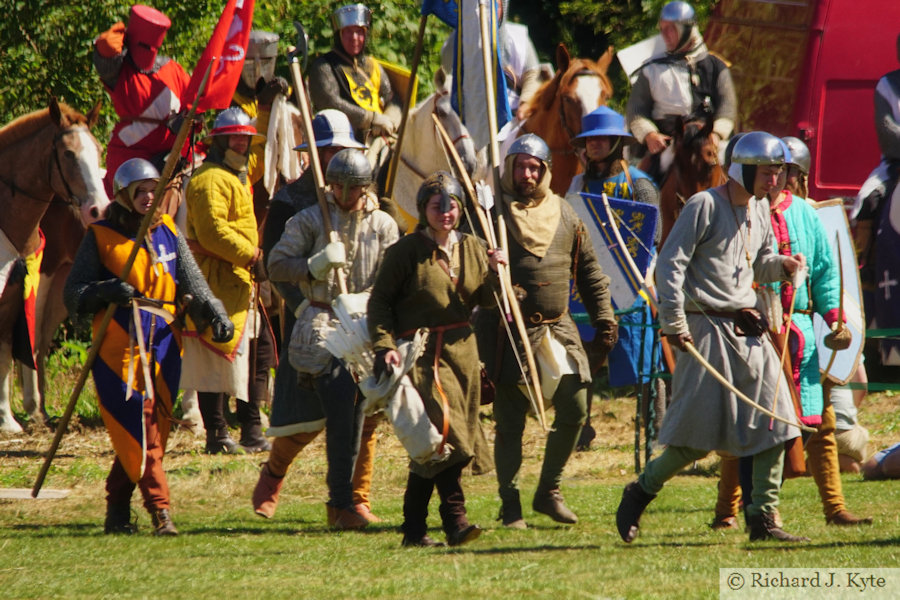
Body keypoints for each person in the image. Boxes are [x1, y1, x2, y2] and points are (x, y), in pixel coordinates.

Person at [615, 131, 810, 543]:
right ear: (744, 168)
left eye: (779, 172)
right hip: (704, 330)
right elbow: (670, 265)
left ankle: (763, 518)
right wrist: (674, 324)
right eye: (768, 172)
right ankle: (639, 492)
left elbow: (758, 265)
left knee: (779, 422)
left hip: (748, 330)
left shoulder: (759, 210)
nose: (775, 180)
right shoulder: (705, 205)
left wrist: (784, 266)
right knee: (693, 441)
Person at [64, 158, 233, 536]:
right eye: (140, 192)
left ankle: (116, 508)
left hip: (164, 343)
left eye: (153, 190)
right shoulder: (101, 235)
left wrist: (216, 314)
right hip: (118, 347)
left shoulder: (167, 229)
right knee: (139, 426)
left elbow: (196, 284)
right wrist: (103, 291)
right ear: (123, 195)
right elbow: (72, 293)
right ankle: (161, 511)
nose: (148, 197)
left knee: (148, 430)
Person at [711, 136, 871, 528]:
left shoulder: (804, 214)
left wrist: (833, 317)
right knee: (746, 423)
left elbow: (824, 270)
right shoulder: (739, 210)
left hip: (798, 327)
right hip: (754, 327)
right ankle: (727, 512)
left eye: (787, 172)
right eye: (774, 171)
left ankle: (834, 508)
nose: (781, 179)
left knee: (824, 422)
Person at [477, 134, 618, 528]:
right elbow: (474, 278)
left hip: (558, 330)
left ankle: (548, 490)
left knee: (574, 409)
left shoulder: (566, 213)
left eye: (534, 167)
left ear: (545, 171)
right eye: (520, 165)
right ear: (508, 169)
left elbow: (590, 272)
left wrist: (605, 319)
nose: (527, 173)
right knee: (510, 424)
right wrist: (495, 276)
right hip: (509, 334)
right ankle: (509, 504)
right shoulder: (492, 215)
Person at [255, 148, 399, 529]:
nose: (344, 194)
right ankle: (337, 503)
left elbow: (391, 278)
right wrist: (314, 266)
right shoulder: (309, 218)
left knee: (362, 418)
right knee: (338, 410)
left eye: (352, 188)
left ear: (365, 187)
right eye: (337, 185)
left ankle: (353, 501)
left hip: (364, 327)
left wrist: (372, 303)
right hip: (320, 326)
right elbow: (276, 265)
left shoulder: (384, 225)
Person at [368, 171, 503, 547]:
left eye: (453, 204)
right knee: (447, 437)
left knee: (435, 446)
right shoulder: (405, 252)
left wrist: (496, 274)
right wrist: (384, 344)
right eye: (436, 205)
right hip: (422, 355)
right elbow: (379, 302)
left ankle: (413, 529)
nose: (445, 212)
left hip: (464, 354)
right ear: (423, 209)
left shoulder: (475, 247)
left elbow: (489, 301)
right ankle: (455, 522)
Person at [566, 106, 661, 448]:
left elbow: (652, 238)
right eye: (590, 139)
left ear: (617, 142)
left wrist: (642, 280)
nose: (595, 144)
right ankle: (581, 428)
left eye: (603, 138)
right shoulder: (577, 184)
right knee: (582, 360)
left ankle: (654, 430)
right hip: (586, 286)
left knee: (645, 361)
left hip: (632, 283)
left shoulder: (640, 184)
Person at [183, 107, 268, 454]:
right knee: (214, 356)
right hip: (215, 279)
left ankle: (251, 429)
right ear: (218, 141)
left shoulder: (236, 178)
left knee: (255, 356)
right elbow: (213, 232)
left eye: (245, 138)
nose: (240, 144)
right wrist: (252, 256)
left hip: (239, 280)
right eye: (234, 137)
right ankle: (216, 434)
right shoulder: (208, 178)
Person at [625, 1, 736, 183]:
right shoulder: (651, 70)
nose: (665, 35)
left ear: (687, 29)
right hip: (669, 142)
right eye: (663, 29)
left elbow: (727, 107)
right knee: (643, 183)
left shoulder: (716, 67)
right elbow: (636, 111)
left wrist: (715, 135)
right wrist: (650, 135)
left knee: (736, 175)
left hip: (709, 141)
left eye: (671, 29)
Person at [92, 4, 191, 197]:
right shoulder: (120, 70)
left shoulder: (173, 69)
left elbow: (195, 102)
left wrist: (187, 121)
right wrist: (124, 33)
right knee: (123, 205)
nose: (148, 50)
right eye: (144, 44)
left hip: (171, 155)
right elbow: (106, 45)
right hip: (129, 154)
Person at [308, 4, 401, 147]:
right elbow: (330, 102)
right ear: (339, 34)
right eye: (348, 32)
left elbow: (391, 97)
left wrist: (389, 120)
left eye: (359, 32)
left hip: (380, 135)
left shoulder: (373, 65)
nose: (354, 38)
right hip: (345, 140)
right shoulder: (324, 66)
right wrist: (371, 119)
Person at [439, 0, 543, 121]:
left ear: (503, 9)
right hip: (469, 121)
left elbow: (533, 77)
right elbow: (448, 82)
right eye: (485, 7)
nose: (489, 11)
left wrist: (525, 104)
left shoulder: (518, 39)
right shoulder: (455, 43)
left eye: (495, 6)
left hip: (514, 119)